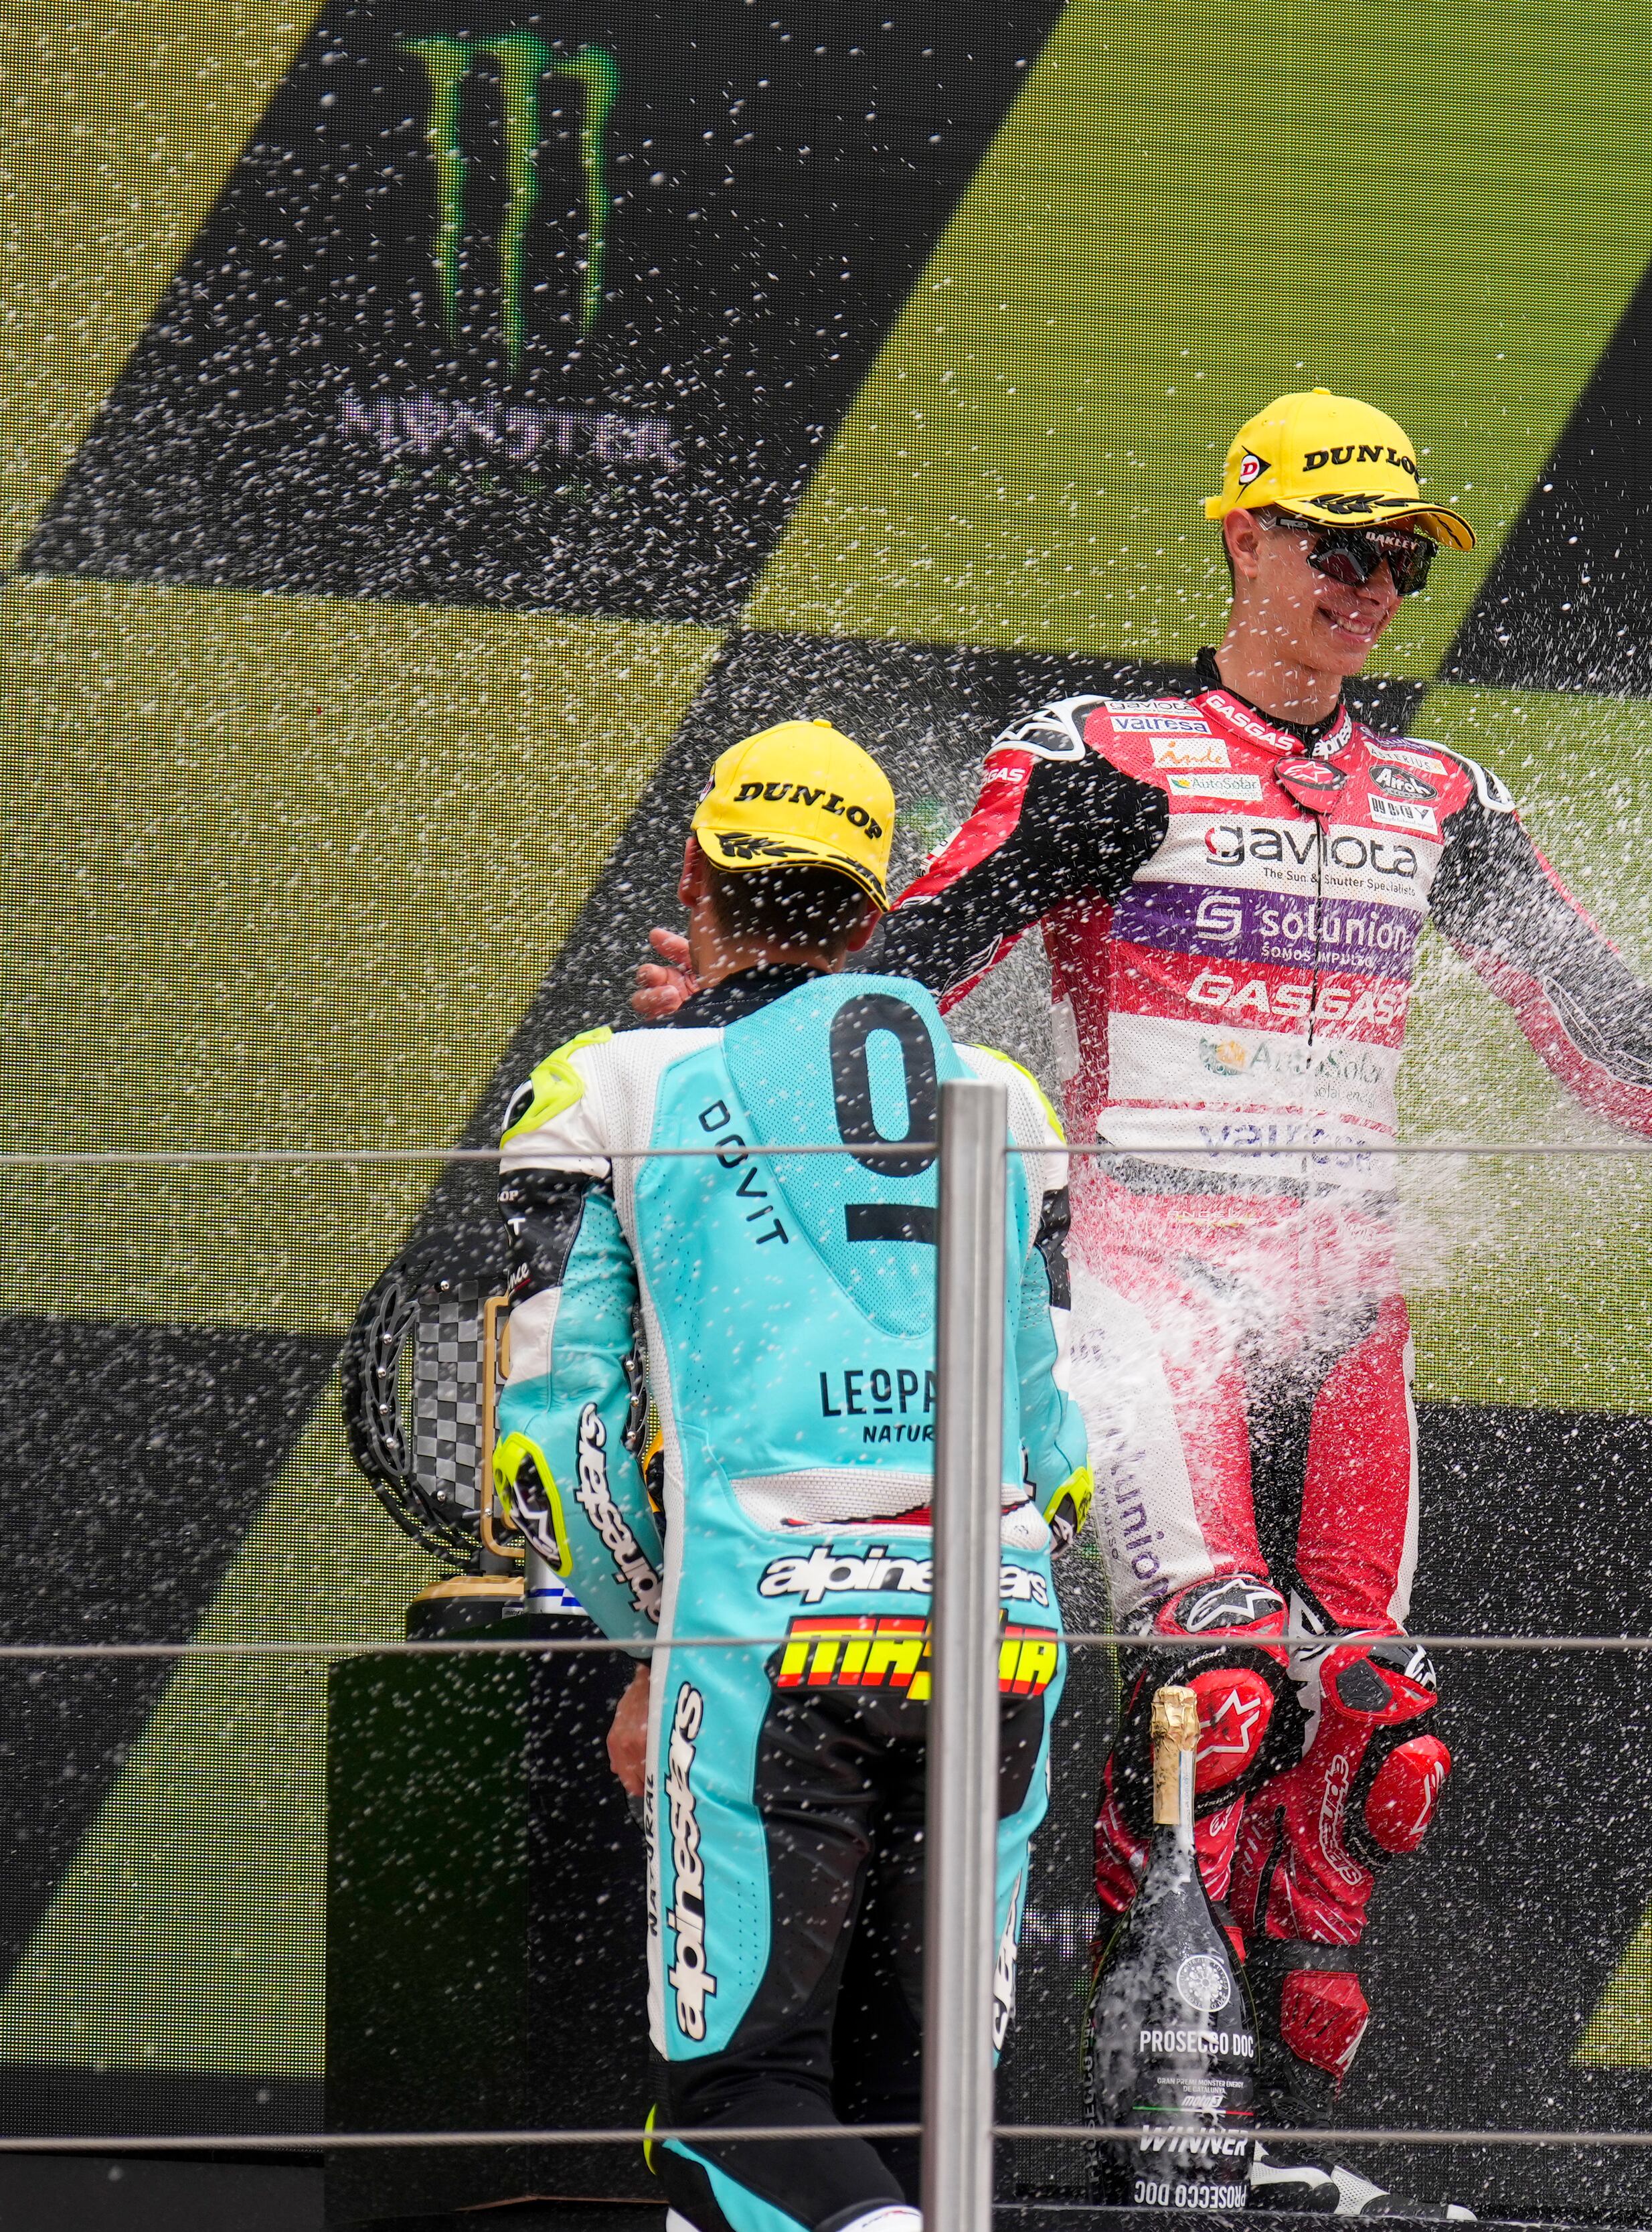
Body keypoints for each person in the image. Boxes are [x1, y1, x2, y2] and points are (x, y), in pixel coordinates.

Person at [634, 388, 1652, 2214]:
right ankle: (1158, 2145)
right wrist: (739, 1024)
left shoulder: (1437, 799)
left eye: (1396, 557)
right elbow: (922, 956)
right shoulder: (1110, 755)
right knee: (1216, 1683)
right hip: (1153, 1273)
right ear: (1244, 536)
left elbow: (1605, 1029)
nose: (1370, 586)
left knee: (1377, 1714)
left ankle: (1261, 2093)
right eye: (1337, 547)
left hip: (1347, 1294)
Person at [495, 720, 1091, 2232]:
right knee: (923, 2108)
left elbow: (557, 1439)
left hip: (771, 1636)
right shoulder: (1009, 1099)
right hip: (1004, 1628)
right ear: (877, 912)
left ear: (693, 874)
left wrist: (652, 1647)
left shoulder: (604, 1086)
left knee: (733, 2103)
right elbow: (1054, 1443)